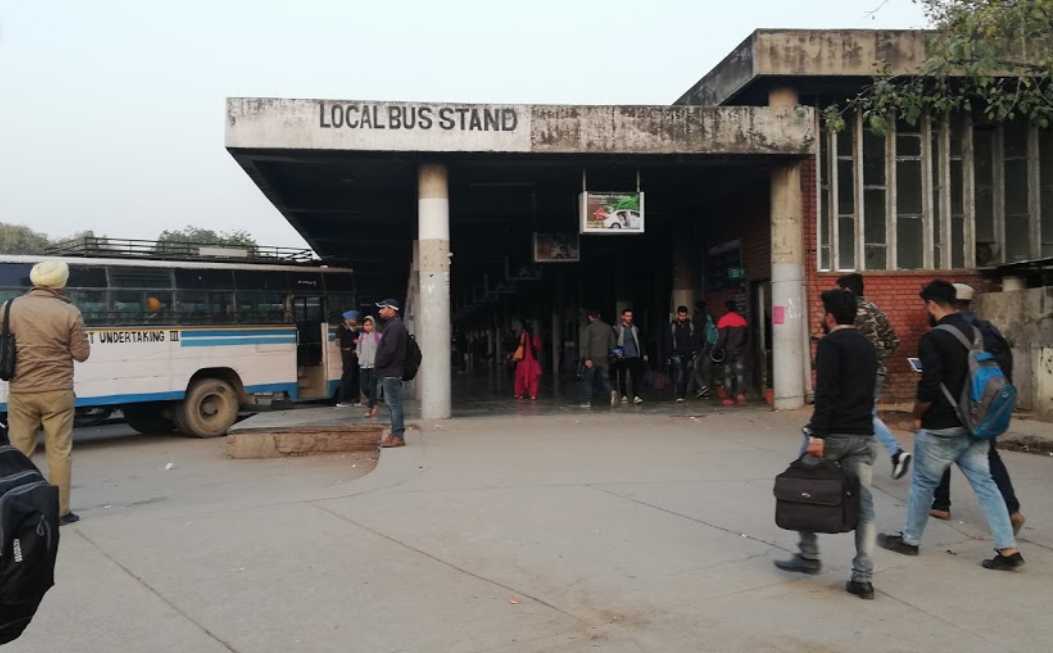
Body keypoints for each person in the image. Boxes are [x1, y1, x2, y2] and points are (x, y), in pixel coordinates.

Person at [878, 280, 1024, 571]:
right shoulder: (977, 332)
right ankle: (1008, 550)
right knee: (986, 484)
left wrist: (917, 414)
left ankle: (910, 540)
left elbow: (930, 385)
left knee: (922, 483)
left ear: (932, 304)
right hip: (975, 422)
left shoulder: (934, 338)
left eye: (925, 306)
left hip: (942, 426)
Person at [774, 289, 878, 599]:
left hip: (831, 434)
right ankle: (863, 576)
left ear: (830, 315)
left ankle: (808, 555)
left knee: (802, 489)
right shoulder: (867, 346)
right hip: (862, 434)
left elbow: (827, 393)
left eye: (823, 312)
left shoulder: (831, 344)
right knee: (865, 506)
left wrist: (817, 435)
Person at [929, 283, 1025, 534]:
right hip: (987, 406)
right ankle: (1011, 508)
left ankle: (940, 503)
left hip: (956, 406)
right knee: (989, 456)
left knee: (940, 451)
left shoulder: (948, 331)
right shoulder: (989, 331)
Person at [4, 260, 91, 525]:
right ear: (61, 283)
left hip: (21, 391)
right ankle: (61, 512)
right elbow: (81, 354)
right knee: (59, 451)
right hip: (57, 392)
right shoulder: (70, 312)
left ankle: (16, 507)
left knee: (19, 451)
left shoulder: (10, 307)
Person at [836, 274, 911, 479]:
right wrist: (879, 360)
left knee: (864, 414)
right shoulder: (876, 310)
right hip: (877, 371)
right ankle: (860, 460)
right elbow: (893, 341)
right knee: (866, 414)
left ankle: (896, 452)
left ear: (848, 291)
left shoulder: (849, 314)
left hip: (859, 373)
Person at [374, 299, 408, 448]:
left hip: (391, 371)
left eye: (382, 308)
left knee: (394, 405)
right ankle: (394, 434)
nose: (380, 311)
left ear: (391, 309)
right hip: (391, 370)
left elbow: (390, 350)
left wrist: (379, 364)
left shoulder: (394, 326)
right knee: (392, 404)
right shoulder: (394, 325)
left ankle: (398, 436)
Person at [578, 310, 616, 408]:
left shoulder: (589, 328)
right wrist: (612, 357)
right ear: (599, 316)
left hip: (592, 358)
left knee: (588, 380)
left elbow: (585, 345)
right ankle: (611, 391)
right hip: (604, 358)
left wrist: (586, 359)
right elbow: (613, 344)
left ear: (590, 317)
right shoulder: (608, 328)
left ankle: (587, 402)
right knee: (605, 379)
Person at [715, 301, 749, 406]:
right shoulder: (742, 320)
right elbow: (746, 338)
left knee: (728, 374)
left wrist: (717, 349)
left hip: (728, 352)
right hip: (740, 351)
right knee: (740, 373)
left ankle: (729, 397)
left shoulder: (723, 320)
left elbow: (722, 338)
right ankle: (740, 395)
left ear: (726, 308)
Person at [663, 306, 698, 403]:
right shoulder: (672, 326)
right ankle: (679, 394)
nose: (682, 317)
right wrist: (668, 355)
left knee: (686, 374)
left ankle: (682, 393)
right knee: (680, 372)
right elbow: (668, 341)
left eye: (684, 315)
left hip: (688, 354)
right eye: (681, 315)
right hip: (676, 353)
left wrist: (694, 352)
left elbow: (694, 339)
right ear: (677, 315)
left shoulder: (690, 325)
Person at [613, 308, 646, 405]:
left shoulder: (635, 328)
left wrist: (643, 354)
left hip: (634, 355)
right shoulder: (617, 329)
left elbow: (640, 342)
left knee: (635, 377)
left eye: (630, 316)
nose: (629, 318)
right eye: (627, 316)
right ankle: (624, 395)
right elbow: (614, 343)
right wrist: (617, 355)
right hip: (622, 356)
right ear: (622, 317)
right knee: (622, 377)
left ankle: (636, 395)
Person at [357, 315, 382, 418]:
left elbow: (382, 350)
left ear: (373, 325)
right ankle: (374, 403)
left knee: (372, 387)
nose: (367, 326)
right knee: (364, 387)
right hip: (363, 365)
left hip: (374, 365)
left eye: (369, 324)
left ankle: (370, 409)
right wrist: (360, 358)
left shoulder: (378, 336)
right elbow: (358, 349)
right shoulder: (361, 336)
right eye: (365, 325)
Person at [693, 301, 719, 399]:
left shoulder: (698, 317)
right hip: (711, 344)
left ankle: (703, 387)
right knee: (706, 367)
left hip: (702, 345)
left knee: (696, 367)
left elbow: (697, 334)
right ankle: (706, 391)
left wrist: (695, 349)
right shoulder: (710, 317)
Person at [336, 310, 361, 408]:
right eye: (353, 319)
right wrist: (352, 341)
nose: (355, 321)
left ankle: (354, 399)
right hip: (347, 354)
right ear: (348, 319)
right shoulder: (341, 328)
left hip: (355, 354)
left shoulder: (355, 330)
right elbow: (338, 342)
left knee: (355, 376)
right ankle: (342, 400)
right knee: (347, 376)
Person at [513, 323, 542, 401]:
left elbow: (516, 346)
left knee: (520, 378)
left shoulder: (521, 336)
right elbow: (538, 347)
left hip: (522, 361)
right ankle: (533, 394)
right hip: (532, 361)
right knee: (533, 379)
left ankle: (519, 394)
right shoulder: (534, 337)